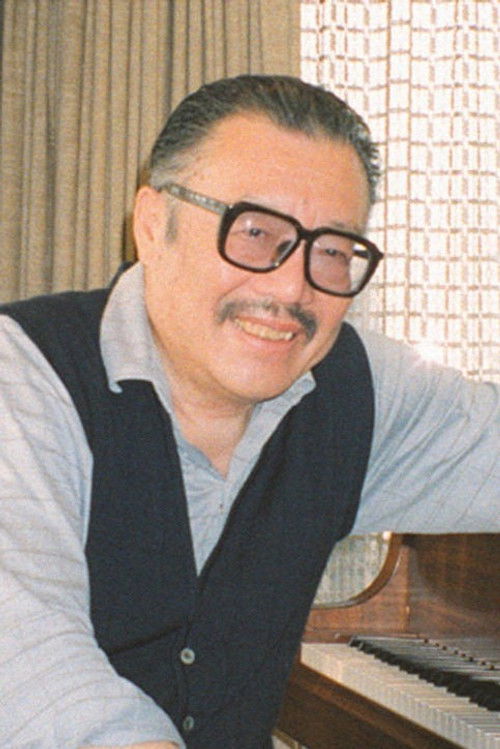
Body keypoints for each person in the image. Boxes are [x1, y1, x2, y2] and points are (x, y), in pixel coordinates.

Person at [0, 75, 498, 749]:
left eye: (332, 250)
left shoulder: (358, 389)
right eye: (256, 231)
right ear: (152, 225)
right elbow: (31, 670)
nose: (292, 288)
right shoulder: (24, 373)